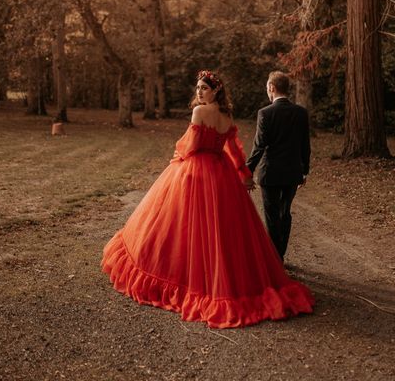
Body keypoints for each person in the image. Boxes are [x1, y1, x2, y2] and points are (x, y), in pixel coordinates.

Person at [101, 70, 314, 328]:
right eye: (198, 88)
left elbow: (189, 145)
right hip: (220, 172)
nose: (199, 92)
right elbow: (233, 149)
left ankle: (199, 280)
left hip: (197, 172)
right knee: (218, 228)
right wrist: (243, 173)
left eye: (204, 88)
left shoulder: (199, 113)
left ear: (215, 91)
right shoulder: (226, 116)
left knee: (186, 225)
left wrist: (179, 156)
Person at [246, 71, 311, 263]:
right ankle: (279, 254)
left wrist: (247, 170)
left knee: (272, 215)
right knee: (285, 212)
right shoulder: (301, 113)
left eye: (267, 88)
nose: (267, 91)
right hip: (292, 172)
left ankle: (275, 259)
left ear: (272, 88)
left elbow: (259, 146)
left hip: (271, 173)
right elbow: (304, 144)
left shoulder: (265, 113)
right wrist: (305, 170)